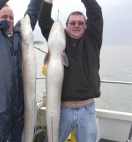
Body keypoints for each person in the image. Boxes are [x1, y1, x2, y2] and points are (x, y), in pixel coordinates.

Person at [38, 0, 103, 142]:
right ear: (66, 27)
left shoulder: (93, 40)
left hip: (87, 110)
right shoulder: (58, 41)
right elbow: (43, 19)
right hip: (60, 110)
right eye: (72, 23)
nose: (76, 25)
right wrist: (48, 2)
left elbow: (95, 12)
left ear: (86, 26)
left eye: (80, 23)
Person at [0, 0, 42, 141]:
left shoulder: (20, 36)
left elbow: (32, 12)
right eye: (4, 17)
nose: (8, 20)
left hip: (18, 114)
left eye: (11, 17)